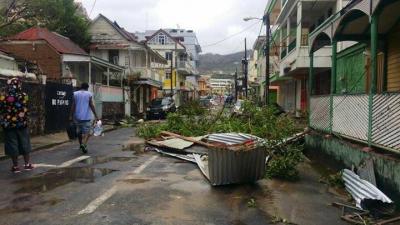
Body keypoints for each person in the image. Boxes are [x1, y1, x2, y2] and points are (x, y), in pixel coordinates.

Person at [0, 78, 33, 173]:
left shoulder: (4, 97)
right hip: (22, 124)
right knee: (25, 143)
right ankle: (27, 165)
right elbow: (27, 106)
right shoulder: (24, 96)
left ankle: (15, 166)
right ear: (19, 85)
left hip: (9, 125)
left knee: (12, 144)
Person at [70, 83, 98, 154]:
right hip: (86, 117)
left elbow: (73, 105)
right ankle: (83, 144)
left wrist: (71, 115)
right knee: (88, 132)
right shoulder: (89, 94)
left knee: (79, 132)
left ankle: (80, 144)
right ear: (87, 88)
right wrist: (96, 115)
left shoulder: (75, 93)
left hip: (77, 117)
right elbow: (91, 105)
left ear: (80, 87)